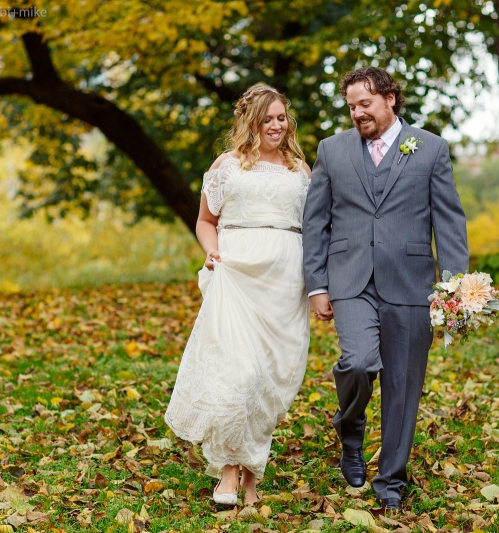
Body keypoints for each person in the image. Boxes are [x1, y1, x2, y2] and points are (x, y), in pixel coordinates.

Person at [302, 67, 468, 512]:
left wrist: (453, 290)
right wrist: (317, 284)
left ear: (390, 99)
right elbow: (315, 222)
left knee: (403, 385)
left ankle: (391, 481)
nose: (358, 113)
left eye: (365, 104)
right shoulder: (332, 150)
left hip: (412, 283)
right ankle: (350, 429)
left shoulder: (431, 148)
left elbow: (449, 222)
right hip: (350, 279)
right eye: (351, 106)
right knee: (358, 362)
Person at [165, 83, 312, 506]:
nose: (276, 126)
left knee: (273, 379)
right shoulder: (227, 166)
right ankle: (230, 472)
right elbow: (205, 220)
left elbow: (317, 226)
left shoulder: (300, 169)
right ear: (250, 122)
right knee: (240, 374)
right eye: (267, 119)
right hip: (237, 276)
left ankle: (251, 475)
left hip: (285, 282)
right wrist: (211, 251)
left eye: (281, 118)